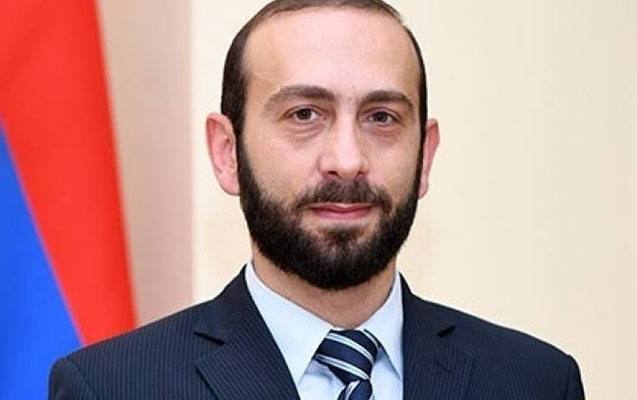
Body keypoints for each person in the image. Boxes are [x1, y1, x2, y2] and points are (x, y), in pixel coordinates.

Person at [49, 0, 585, 399]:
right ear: (227, 152)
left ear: (424, 156)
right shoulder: (112, 387)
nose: (347, 160)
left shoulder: (535, 382)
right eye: (304, 114)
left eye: (382, 118)